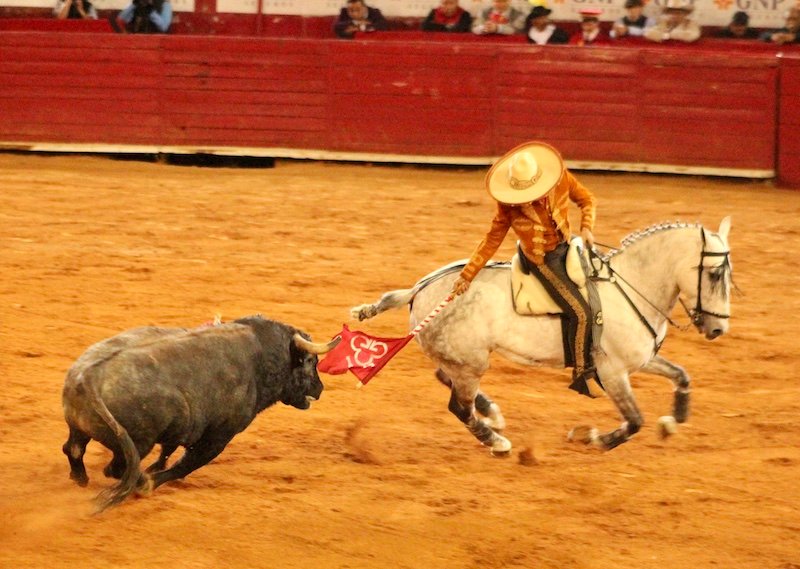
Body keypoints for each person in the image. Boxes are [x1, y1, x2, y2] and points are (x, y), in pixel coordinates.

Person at [451, 141, 600, 397]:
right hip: (541, 259)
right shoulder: (508, 205)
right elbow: (492, 239)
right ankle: (582, 373)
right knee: (580, 311)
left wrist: (586, 227)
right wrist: (467, 274)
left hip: (568, 246)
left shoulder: (561, 178)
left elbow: (587, 199)